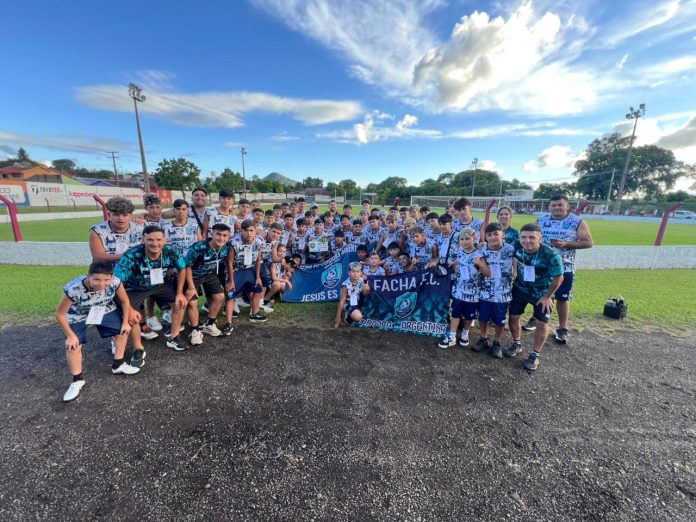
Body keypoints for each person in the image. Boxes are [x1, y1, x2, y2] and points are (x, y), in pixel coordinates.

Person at [55, 261, 140, 402]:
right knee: (73, 345)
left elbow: (125, 301)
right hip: (78, 315)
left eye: (106, 280)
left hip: (103, 309)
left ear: (111, 277)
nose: (101, 284)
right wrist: (70, 336)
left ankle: (118, 364)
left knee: (122, 330)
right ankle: (77, 380)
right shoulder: (73, 289)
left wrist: (125, 322)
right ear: (88, 276)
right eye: (96, 279)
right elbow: (59, 314)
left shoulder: (115, 282)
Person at [115, 225, 190, 365]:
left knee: (180, 303)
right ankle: (138, 348)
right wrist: (128, 308)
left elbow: (182, 268)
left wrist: (180, 292)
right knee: (132, 315)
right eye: (150, 239)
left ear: (165, 240)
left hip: (159, 284)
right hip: (134, 288)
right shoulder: (130, 256)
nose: (155, 243)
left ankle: (174, 337)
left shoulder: (171, 250)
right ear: (142, 240)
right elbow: (117, 283)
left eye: (159, 240)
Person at [532, 194, 593, 344]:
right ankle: (537, 320)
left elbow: (588, 242)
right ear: (549, 207)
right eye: (553, 205)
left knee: (562, 298)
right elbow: (531, 237)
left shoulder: (577, 221)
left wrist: (566, 244)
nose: (557, 208)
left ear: (567, 206)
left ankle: (562, 328)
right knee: (541, 295)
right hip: (543, 267)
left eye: (560, 205)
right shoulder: (541, 220)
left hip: (565, 267)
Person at [507, 224, 564, 371]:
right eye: (524, 237)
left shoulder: (550, 254)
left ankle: (535, 354)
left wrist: (547, 296)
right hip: (520, 288)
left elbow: (559, 278)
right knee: (513, 317)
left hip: (542, 293)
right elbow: (503, 248)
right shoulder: (516, 245)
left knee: (541, 323)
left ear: (540, 238)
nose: (527, 241)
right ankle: (517, 343)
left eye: (532, 237)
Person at [473, 223, 516, 358]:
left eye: (496, 234)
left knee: (499, 320)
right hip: (485, 292)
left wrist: (515, 269)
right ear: (485, 237)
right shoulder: (482, 250)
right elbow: (487, 273)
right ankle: (484, 338)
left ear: (503, 234)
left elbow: (517, 258)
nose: (492, 237)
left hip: (502, 293)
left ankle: (497, 343)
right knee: (483, 317)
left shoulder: (510, 249)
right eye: (489, 235)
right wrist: (481, 264)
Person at [183, 223, 232, 338]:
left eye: (225, 235)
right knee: (192, 302)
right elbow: (187, 266)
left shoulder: (227, 246)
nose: (221, 238)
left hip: (210, 274)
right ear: (211, 234)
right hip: (193, 275)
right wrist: (191, 287)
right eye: (218, 234)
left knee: (219, 296)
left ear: (228, 237)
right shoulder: (198, 248)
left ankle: (210, 325)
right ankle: (195, 331)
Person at [438, 227, 482, 348]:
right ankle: (452, 336)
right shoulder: (461, 250)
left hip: (473, 292)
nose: (464, 241)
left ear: (474, 238)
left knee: (469, 316)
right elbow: (460, 258)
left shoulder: (479, 254)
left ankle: (465, 333)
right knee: (455, 313)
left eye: (467, 238)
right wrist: (455, 263)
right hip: (459, 289)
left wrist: (480, 264)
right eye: (462, 239)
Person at [225, 219, 268, 327]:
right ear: (241, 231)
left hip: (250, 269)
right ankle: (228, 322)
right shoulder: (234, 242)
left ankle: (254, 313)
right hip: (236, 270)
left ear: (255, 231)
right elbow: (229, 263)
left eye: (251, 230)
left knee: (257, 287)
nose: (249, 233)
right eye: (246, 230)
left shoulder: (259, 241)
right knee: (231, 294)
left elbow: (258, 260)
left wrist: (258, 277)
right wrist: (231, 280)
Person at [89, 197, 142, 267]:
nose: (120, 218)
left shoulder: (140, 229)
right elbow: (98, 256)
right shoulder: (97, 230)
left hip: (132, 268)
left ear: (130, 216)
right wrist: (128, 256)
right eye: (116, 214)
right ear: (109, 215)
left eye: (125, 215)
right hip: (106, 269)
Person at [334, 261, 370, 327]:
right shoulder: (345, 285)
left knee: (366, 288)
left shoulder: (361, 280)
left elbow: (365, 293)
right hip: (349, 303)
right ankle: (348, 316)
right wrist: (338, 317)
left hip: (358, 300)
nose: (355, 274)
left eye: (357, 271)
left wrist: (366, 287)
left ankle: (360, 309)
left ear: (360, 273)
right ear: (349, 273)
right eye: (353, 271)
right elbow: (342, 301)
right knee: (358, 317)